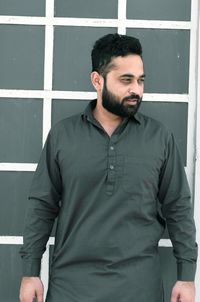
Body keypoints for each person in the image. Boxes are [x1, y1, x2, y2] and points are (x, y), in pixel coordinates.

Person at [19, 33, 197, 302]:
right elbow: (42, 206)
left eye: (140, 80)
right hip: (72, 287)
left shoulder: (159, 138)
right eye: (126, 80)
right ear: (97, 80)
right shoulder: (63, 136)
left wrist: (186, 275)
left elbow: (178, 207)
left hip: (140, 288)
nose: (136, 89)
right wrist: (30, 271)